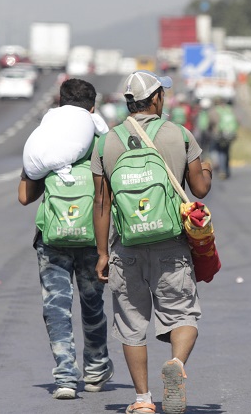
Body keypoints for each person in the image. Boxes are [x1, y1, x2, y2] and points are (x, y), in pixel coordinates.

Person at [91, 70, 212, 414]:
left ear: (131, 103)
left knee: (131, 324)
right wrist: (207, 170)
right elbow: (199, 189)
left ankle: (143, 400)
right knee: (183, 314)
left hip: (126, 246)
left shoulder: (107, 141)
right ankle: (176, 362)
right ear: (156, 99)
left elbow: (102, 201)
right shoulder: (179, 135)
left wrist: (102, 253)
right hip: (171, 243)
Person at [18, 78, 113, 400]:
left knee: (56, 306)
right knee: (92, 304)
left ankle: (64, 378)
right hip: (92, 238)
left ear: (59, 103)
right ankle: (96, 369)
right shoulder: (101, 140)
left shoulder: (48, 140)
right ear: (93, 107)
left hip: (53, 238)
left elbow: (24, 197)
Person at [23, 78, 108, 183]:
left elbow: (24, 198)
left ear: (60, 104)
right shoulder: (97, 140)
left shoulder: (47, 125)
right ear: (92, 109)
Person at [208, 98, 239, 179]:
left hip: (219, 134)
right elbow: (237, 121)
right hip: (230, 134)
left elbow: (211, 122)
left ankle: (222, 170)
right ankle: (227, 169)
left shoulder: (215, 111)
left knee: (220, 151)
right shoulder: (229, 110)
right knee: (226, 151)